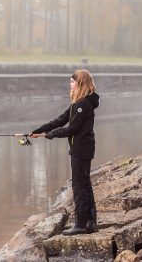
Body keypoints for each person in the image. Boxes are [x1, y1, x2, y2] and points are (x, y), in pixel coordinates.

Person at [30, 69, 100, 235]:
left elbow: (72, 129)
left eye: (72, 81)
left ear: (80, 83)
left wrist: (51, 134)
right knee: (84, 183)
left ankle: (81, 223)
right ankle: (91, 222)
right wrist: (40, 130)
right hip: (83, 148)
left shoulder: (83, 104)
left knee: (79, 185)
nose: (70, 84)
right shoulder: (79, 103)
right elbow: (61, 119)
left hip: (81, 149)